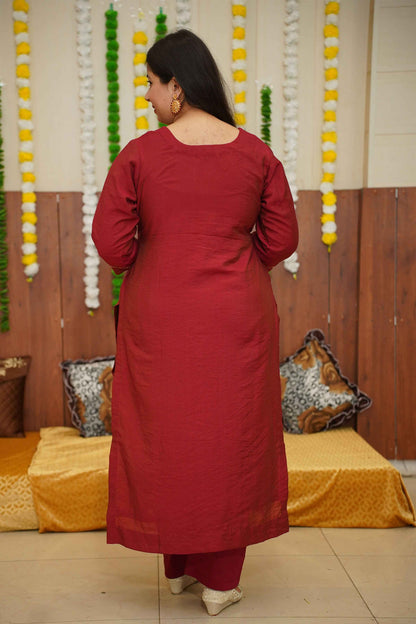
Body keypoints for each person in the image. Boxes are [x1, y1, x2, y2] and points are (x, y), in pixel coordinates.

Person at [92, 29, 298, 617]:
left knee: (168, 435)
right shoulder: (256, 153)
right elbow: (281, 238)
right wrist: (233, 261)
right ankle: (219, 582)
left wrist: (159, 258)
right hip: (237, 315)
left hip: (160, 315)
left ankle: (179, 568)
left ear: (176, 86)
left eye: (151, 84)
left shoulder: (140, 155)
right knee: (231, 437)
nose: (147, 96)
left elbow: (112, 243)